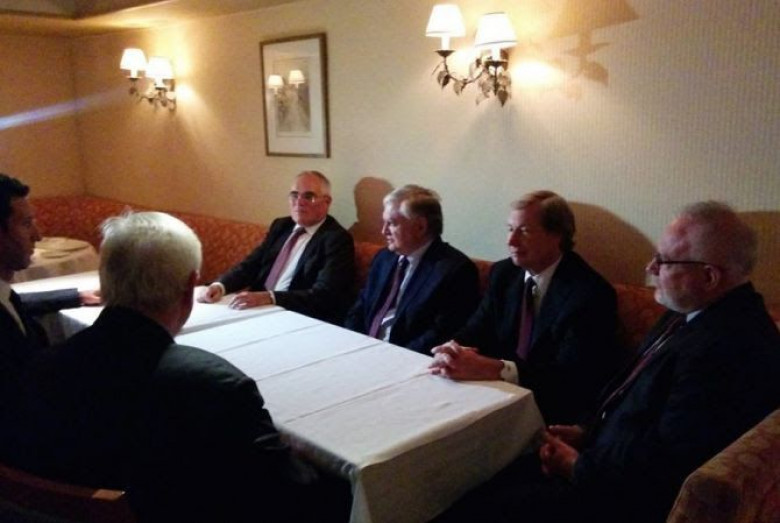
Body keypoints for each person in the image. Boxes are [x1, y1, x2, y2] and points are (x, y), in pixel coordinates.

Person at [439, 201, 780, 523]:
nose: (650, 269)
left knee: (467, 506)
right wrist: (587, 431)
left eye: (664, 261)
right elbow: (628, 387)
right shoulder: (693, 310)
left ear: (709, 277)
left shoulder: (730, 348)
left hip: (614, 496)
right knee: (468, 478)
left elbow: (668, 461)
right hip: (601, 452)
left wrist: (578, 465)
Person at [3, 211, 340, 523]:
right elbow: (290, 494)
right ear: (188, 288)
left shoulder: (40, 366)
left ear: (105, 282)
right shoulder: (214, 387)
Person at [430, 191, 619, 424]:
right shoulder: (504, 273)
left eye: (525, 231)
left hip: (551, 409)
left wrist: (497, 369)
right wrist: (452, 349)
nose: (511, 241)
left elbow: (570, 376)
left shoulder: (589, 293)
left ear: (557, 235)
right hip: (495, 394)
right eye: (510, 229)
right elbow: (477, 327)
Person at [198, 170, 355, 325]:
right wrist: (221, 286)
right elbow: (251, 265)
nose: (299, 202)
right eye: (294, 195)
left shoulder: (336, 239)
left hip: (294, 316)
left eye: (309, 196)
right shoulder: (281, 226)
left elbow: (325, 294)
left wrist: (270, 297)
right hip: (255, 309)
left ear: (326, 202)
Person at [0, 173, 98, 407]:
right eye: (26, 224)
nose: (38, 235)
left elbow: (13, 301)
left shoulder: (5, 294)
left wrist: (75, 296)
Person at [345, 185, 479, 353]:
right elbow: (360, 307)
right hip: (362, 348)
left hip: (406, 356)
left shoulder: (455, 270)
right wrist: (351, 341)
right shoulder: (384, 258)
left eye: (392, 223)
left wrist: (395, 356)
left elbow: (441, 333)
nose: (383, 231)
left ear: (420, 227)